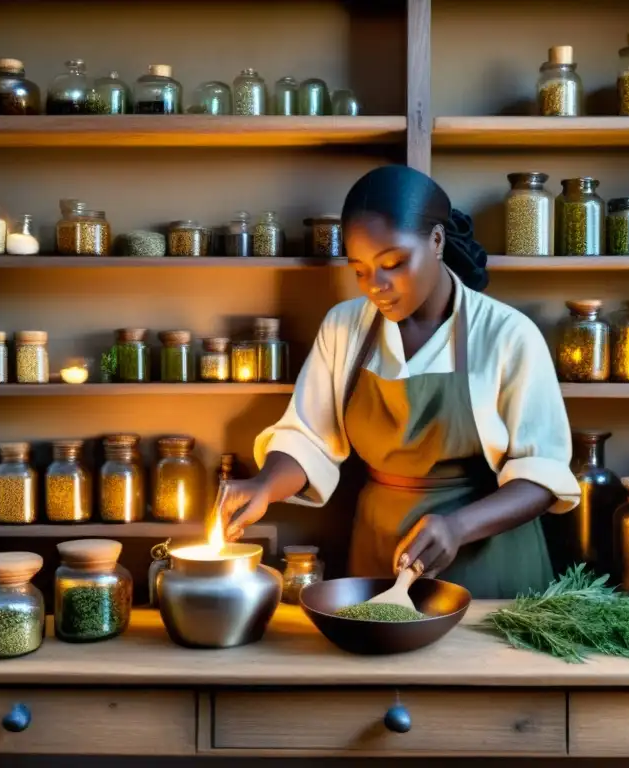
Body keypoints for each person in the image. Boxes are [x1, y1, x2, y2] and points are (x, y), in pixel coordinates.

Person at [222, 165, 579, 599]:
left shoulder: (506, 334)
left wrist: (458, 526)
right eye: (360, 270)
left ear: (436, 241)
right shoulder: (345, 327)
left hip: (489, 562)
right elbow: (307, 439)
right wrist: (264, 486)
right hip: (379, 550)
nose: (377, 286)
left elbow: (543, 474)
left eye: (393, 263)